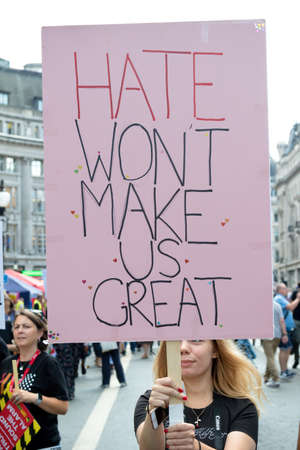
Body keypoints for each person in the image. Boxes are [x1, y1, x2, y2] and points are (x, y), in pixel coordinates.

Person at [134, 339, 262, 450]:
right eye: (175, 341)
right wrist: (154, 414)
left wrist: (194, 446)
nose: (183, 348)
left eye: (196, 339)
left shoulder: (241, 406)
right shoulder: (151, 401)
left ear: (215, 350)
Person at [0, 310, 69, 449]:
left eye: (26, 327)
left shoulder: (48, 363)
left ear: (39, 333)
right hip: (10, 444)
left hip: (42, 444)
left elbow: (63, 407)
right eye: (16, 327)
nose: (20, 331)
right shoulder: (7, 363)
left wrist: (33, 397)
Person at [274, 283, 300, 379]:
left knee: (287, 348)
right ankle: (283, 371)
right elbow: (291, 307)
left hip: (286, 329)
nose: (286, 290)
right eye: (285, 288)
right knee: (285, 349)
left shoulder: (281, 298)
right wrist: (298, 298)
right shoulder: (279, 298)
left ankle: (284, 370)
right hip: (283, 330)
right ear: (280, 290)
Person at [261, 299, 288, 387]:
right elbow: (282, 321)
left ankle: (276, 379)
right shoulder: (277, 305)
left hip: (266, 335)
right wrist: (284, 334)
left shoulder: (261, 304)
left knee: (270, 357)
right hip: (277, 335)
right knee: (271, 356)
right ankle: (266, 377)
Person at [291, 288, 300, 368]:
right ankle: (296, 360)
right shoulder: (295, 292)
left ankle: (296, 359)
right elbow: (291, 305)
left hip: (296, 319)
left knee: (296, 341)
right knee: (296, 342)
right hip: (296, 320)